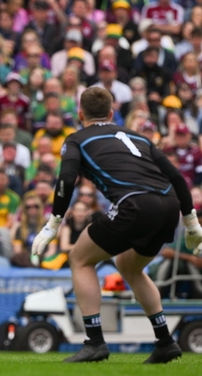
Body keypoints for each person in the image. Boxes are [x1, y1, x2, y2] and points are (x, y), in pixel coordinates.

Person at [31, 87, 202, 363]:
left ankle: (94, 342)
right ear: (111, 114)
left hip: (134, 204)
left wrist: (53, 224)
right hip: (169, 205)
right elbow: (177, 178)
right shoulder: (137, 136)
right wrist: (192, 224)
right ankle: (165, 341)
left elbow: (66, 178)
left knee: (80, 259)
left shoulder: (77, 139)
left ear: (80, 114)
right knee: (129, 266)